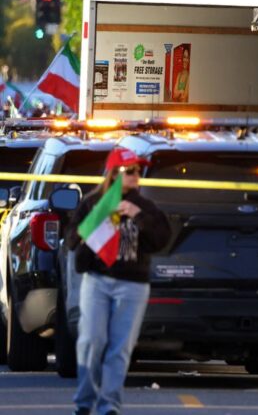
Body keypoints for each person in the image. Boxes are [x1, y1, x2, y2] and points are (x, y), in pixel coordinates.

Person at [66, 148, 171, 415]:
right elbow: (72, 240)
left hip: (133, 285)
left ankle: (108, 405)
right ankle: (84, 402)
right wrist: (100, 216)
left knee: (120, 348)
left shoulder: (146, 207)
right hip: (97, 280)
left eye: (139, 171)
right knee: (91, 340)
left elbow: (161, 240)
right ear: (113, 174)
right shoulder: (93, 203)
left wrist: (137, 214)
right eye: (131, 171)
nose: (137, 176)